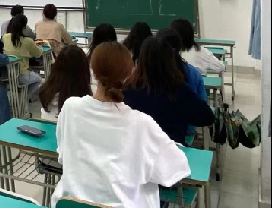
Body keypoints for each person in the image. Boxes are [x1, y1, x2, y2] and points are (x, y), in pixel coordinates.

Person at [51, 41, 190, 207]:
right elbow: (175, 168)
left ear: (92, 70)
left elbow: (62, 154)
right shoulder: (141, 123)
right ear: (130, 74)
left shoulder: (70, 107)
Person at [124, 37, 215, 144]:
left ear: (141, 60)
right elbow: (208, 118)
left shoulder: (129, 88)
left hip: (138, 147)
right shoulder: (179, 89)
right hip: (171, 148)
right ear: (170, 60)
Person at [39, 45, 92, 122]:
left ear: (57, 65)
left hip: (47, 127)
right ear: (84, 69)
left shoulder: (46, 92)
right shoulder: (84, 100)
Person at [3, 14, 43, 99]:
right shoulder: (28, 41)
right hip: (22, 75)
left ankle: (20, 98)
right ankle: (24, 97)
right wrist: (39, 46)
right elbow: (38, 54)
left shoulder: (5, 37)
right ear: (24, 27)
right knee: (39, 79)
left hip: (8, 74)